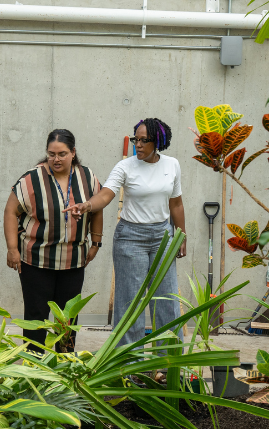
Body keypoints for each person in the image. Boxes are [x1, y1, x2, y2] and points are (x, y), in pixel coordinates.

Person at [64, 118, 186, 347]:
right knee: (130, 304)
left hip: (163, 237)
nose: (137, 145)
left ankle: (168, 364)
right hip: (131, 238)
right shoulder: (125, 167)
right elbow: (106, 194)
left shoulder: (172, 165)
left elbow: (176, 204)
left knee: (167, 301)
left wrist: (182, 236)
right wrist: (87, 205)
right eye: (135, 140)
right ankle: (131, 367)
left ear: (157, 141)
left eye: (144, 140)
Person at [4, 129, 103, 351]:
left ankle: (64, 363)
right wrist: (12, 249)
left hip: (73, 260)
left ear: (73, 152)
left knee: (68, 317)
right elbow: (11, 211)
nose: (56, 159)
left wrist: (96, 242)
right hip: (36, 260)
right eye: (51, 154)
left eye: (62, 154)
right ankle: (35, 365)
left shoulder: (87, 177)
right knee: (36, 314)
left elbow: (97, 209)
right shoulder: (31, 179)